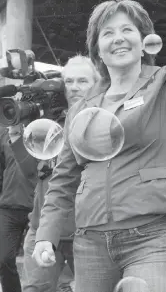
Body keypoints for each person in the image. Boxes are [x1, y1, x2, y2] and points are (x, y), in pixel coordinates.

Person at [33, 0, 166, 292]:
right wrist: (46, 234)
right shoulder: (83, 107)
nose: (118, 38)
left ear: (143, 42)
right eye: (107, 33)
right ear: (97, 49)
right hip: (90, 239)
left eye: (127, 30)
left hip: (154, 233)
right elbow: (64, 178)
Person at [22, 55, 100, 292]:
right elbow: (29, 171)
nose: (74, 87)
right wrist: (20, 125)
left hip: (88, 230)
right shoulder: (47, 120)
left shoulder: (105, 119)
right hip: (44, 226)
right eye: (69, 81)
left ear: (97, 83)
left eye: (82, 81)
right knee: (35, 289)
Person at [0, 123, 38, 292]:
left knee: (41, 264)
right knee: (3, 259)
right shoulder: (4, 133)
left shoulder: (43, 126)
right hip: (8, 206)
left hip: (37, 206)